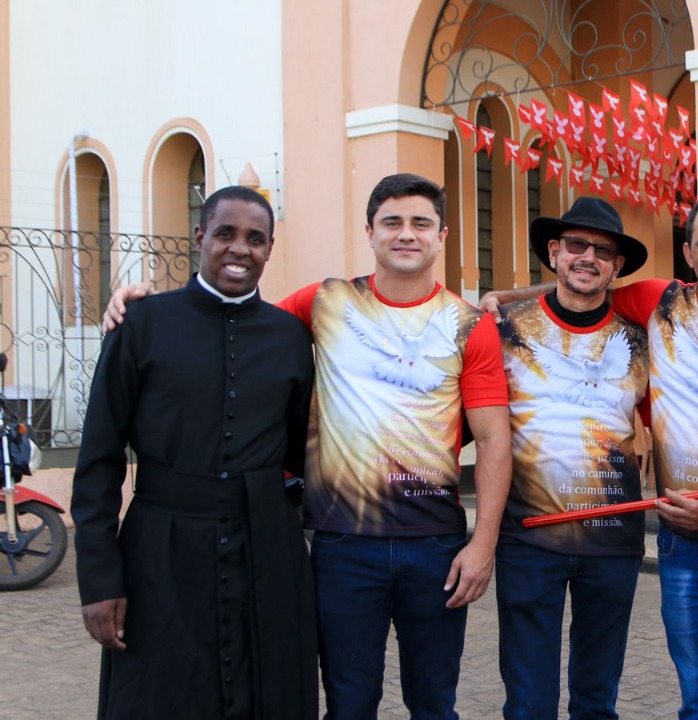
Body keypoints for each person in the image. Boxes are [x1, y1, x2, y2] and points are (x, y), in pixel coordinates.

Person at [105, 174, 513, 720]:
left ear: (441, 236)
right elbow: (232, 323)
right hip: (342, 546)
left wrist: (482, 545)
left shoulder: (469, 325)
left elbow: (492, 438)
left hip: (434, 545)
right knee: (348, 704)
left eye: (421, 223)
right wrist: (143, 306)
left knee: (435, 704)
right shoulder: (324, 301)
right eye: (392, 222)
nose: (406, 234)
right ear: (369, 232)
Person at [481, 188, 698, 720]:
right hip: (681, 548)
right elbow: (583, 286)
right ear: (688, 253)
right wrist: (504, 297)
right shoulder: (659, 303)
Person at [72, 186, 318, 719]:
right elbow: (99, 458)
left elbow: (303, 446)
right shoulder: (141, 324)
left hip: (267, 549)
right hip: (160, 550)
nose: (240, 249)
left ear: (269, 249)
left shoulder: (290, 336)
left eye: (255, 239)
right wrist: (99, 579)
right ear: (201, 237)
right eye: (226, 234)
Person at [495, 197, 650, 719]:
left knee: (596, 700)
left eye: (602, 251)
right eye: (577, 245)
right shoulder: (504, 329)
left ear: (617, 266)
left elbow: (670, 424)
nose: (588, 257)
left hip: (612, 539)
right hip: (527, 537)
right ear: (554, 253)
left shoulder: (640, 342)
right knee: (528, 702)